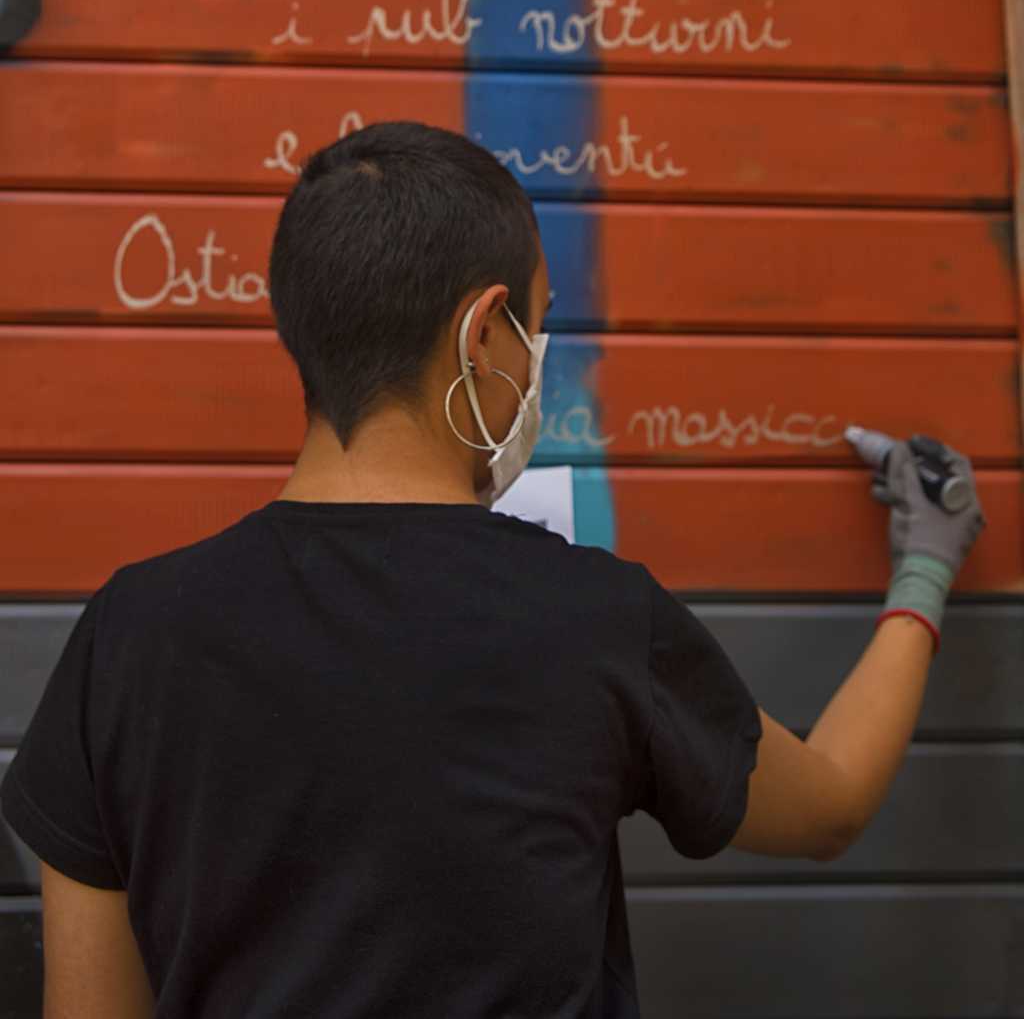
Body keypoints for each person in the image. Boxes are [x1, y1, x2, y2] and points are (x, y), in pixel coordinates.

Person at [0, 121, 986, 1019]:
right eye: (537, 324)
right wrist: (925, 569)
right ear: (482, 336)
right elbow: (829, 806)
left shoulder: (129, 632)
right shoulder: (592, 618)